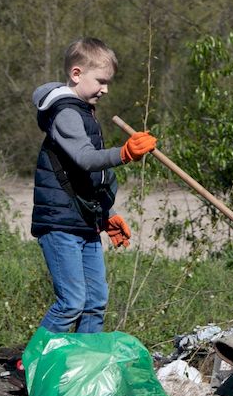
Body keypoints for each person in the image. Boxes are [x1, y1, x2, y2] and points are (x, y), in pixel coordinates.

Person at [30, 38, 156, 333]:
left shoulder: (85, 113)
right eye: (101, 81)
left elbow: (88, 179)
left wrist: (107, 214)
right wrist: (124, 153)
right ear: (77, 74)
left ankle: (84, 358)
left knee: (95, 302)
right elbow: (87, 159)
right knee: (71, 303)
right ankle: (36, 356)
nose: (105, 89)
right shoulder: (65, 114)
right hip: (60, 225)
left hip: (85, 222)